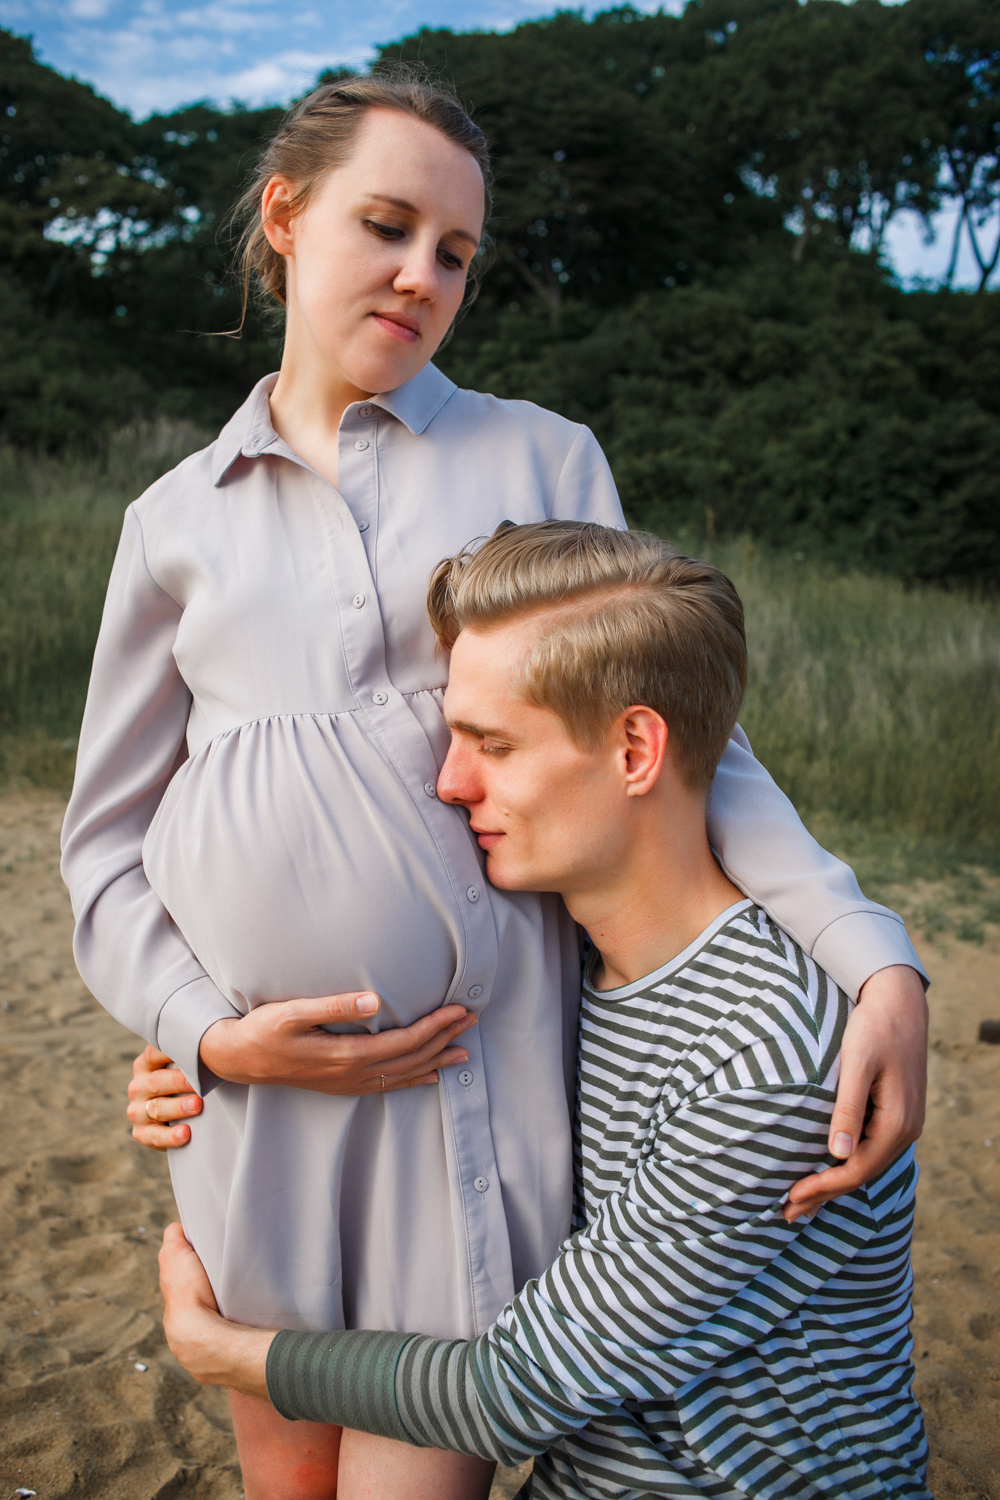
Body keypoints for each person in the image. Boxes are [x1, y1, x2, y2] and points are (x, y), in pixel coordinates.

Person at [61, 68, 927, 1500]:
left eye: (456, 252)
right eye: (387, 226)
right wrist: (204, 1037)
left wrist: (869, 950)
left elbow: (692, 739)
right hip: (263, 1111)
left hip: (471, 1085)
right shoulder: (172, 520)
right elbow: (103, 849)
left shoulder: (539, 456)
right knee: (287, 1479)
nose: (422, 274)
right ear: (286, 216)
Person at [159, 520, 929, 1499]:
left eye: (494, 744)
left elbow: (509, 1395)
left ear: (636, 748)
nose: (449, 782)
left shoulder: (769, 1059)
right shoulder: (549, 962)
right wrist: (204, 1056)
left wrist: (223, 1352)